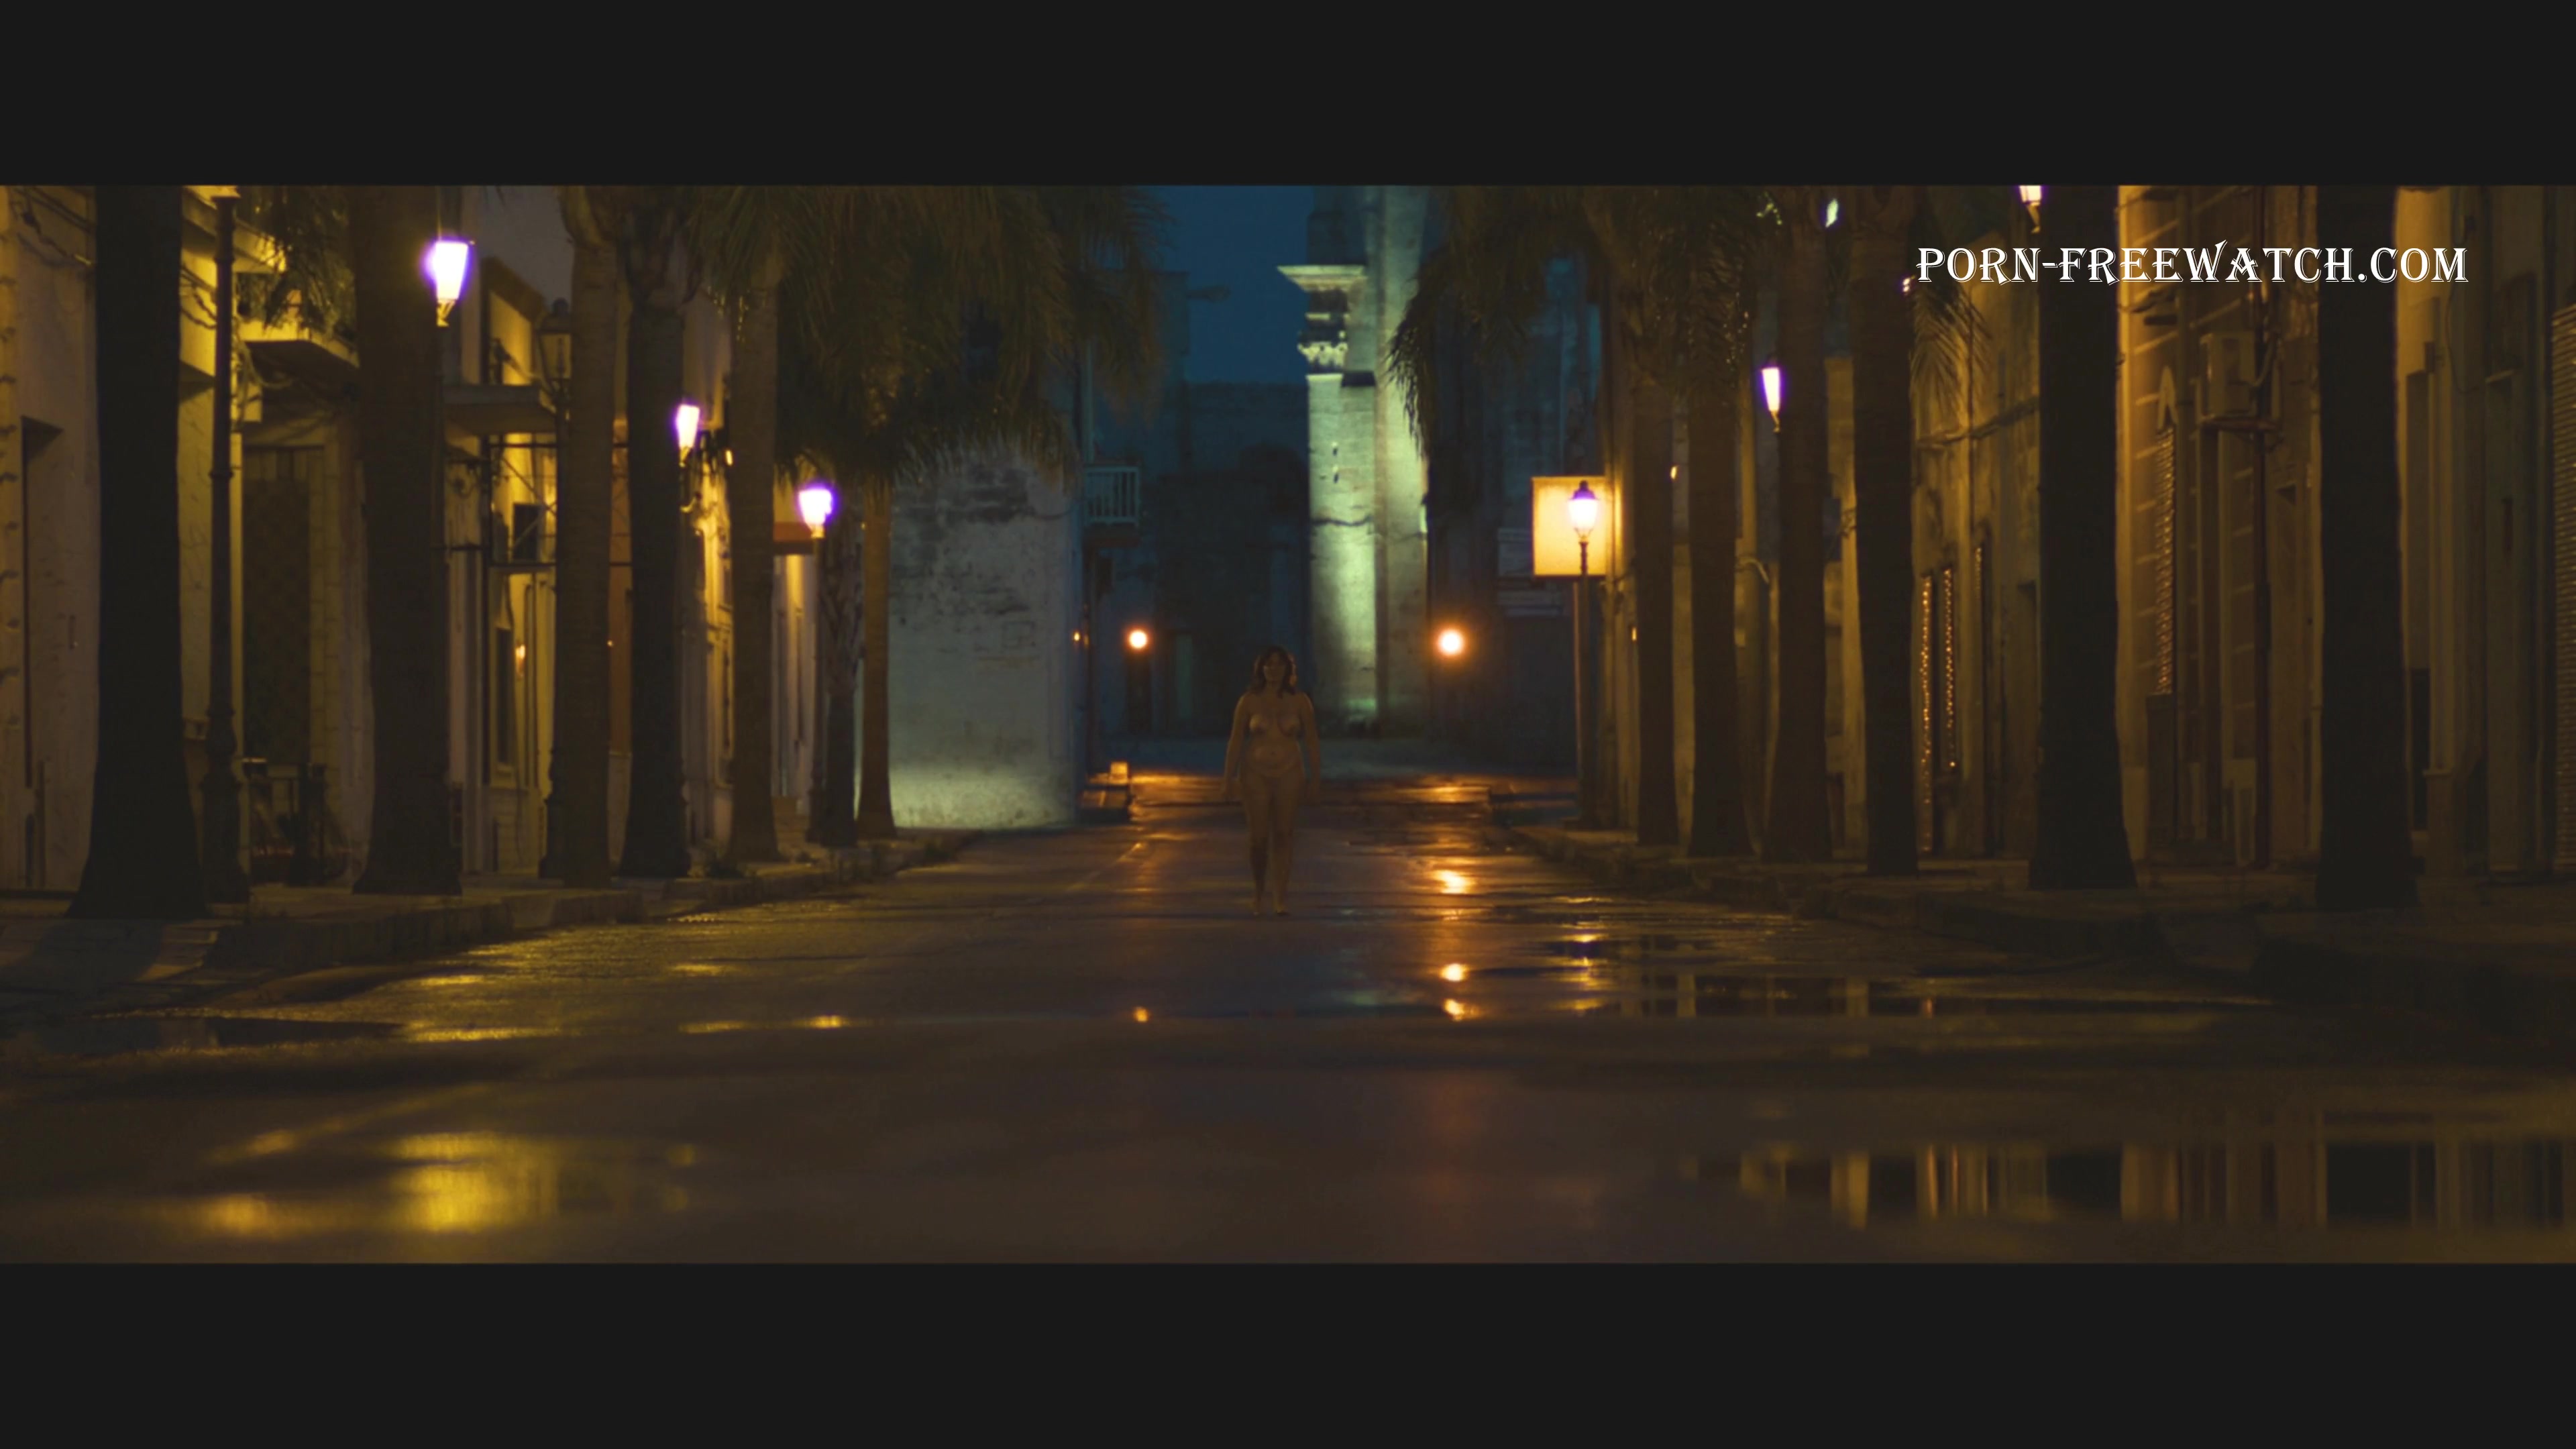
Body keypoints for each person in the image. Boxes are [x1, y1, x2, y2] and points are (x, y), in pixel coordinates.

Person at [1222, 645, 1321, 916]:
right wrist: (1228, 778)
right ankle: (1258, 893)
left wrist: (1315, 779)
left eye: (1279, 664)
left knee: (1284, 834)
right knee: (1258, 838)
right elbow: (1236, 740)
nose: (1273, 669)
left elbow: (1312, 741)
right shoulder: (1248, 701)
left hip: (1290, 771)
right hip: (1255, 773)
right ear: (1261, 669)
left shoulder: (1300, 701)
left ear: (1288, 669)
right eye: (1268, 664)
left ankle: (1280, 897)